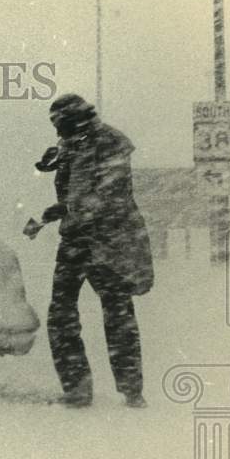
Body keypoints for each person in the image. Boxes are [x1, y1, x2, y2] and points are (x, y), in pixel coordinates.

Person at [25, 94, 154, 408]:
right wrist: (54, 163)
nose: (59, 133)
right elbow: (72, 180)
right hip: (75, 240)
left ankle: (132, 390)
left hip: (109, 241)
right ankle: (77, 389)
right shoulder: (73, 142)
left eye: (62, 125)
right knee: (62, 314)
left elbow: (109, 194)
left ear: (76, 119)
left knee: (117, 315)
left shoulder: (111, 142)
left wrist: (64, 208)